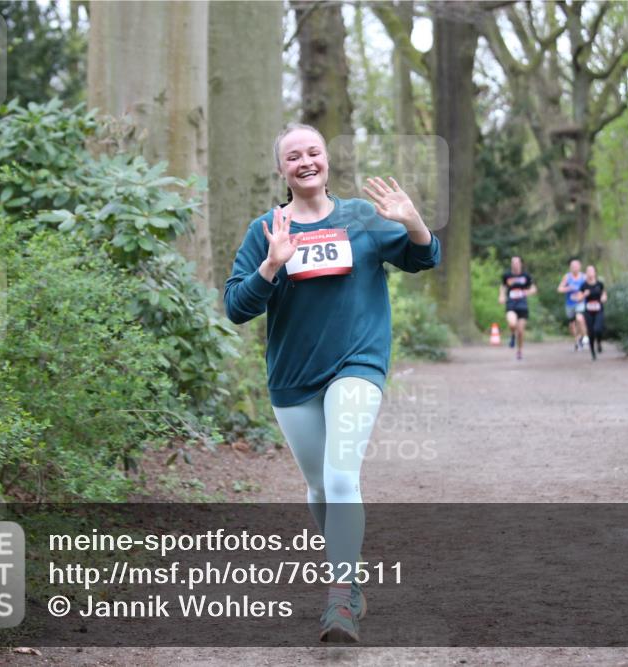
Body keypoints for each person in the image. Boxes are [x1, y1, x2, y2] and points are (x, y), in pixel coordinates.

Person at [223, 123, 441, 643]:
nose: (305, 162)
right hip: (293, 376)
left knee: (342, 476)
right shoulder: (265, 229)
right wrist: (271, 266)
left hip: (358, 364)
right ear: (282, 169)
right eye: (293, 156)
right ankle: (353, 573)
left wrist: (414, 223)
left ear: (326, 160)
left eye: (313, 152)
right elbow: (236, 306)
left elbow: (422, 258)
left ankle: (339, 600)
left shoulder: (362, 218)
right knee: (320, 485)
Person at [498, 256, 537, 360]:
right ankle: (512, 335)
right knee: (512, 323)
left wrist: (528, 292)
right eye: (513, 263)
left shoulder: (526, 276)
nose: (515, 264)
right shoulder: (507, 275)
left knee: (520, 331)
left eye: (517, 262)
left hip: (522, 304)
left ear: (521, 264)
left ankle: (519, 351)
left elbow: (533, 288)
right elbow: (503, 286)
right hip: (511, 303)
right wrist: (501, 296)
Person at [575, 265, 607, 360]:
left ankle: (599, 343)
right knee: (591, 332)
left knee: (598, 329)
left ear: (595, 273)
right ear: (586, 273)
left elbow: (604, 295)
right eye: (588, 271)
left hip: (599, 310)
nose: (590, 273)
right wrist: (584, 295)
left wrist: (603, 298)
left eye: (591, 271)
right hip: (588, 311)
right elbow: (578, 299)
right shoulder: (583, 285)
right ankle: (593, 352)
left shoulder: (599, 284)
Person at [556, 257, 588, 351]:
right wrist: (568, 288)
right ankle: (578, 341)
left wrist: (582, 295)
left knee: (580, 318)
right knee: (572, 325)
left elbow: (589, 289)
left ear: (580, 266)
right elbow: (559, 289)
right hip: (570, 304)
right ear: (570, 267)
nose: (574, 267)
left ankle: (585, 337)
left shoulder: (584, 277)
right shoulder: (567, 277)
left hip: (580, 303)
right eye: (572, 266)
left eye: (576, 265)